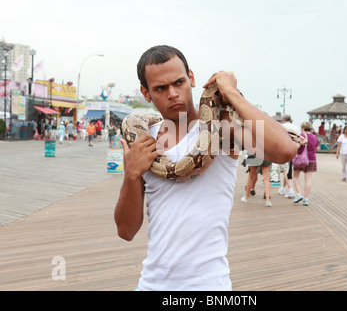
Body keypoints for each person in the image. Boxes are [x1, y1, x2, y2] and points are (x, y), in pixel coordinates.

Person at [114, 45, 297, 291]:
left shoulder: (223, 131)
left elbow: (285, 149)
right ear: (146, 93)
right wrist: (131, 174)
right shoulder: (144, 143)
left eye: (179, 82)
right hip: (150, 285)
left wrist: (231, 92)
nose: (173, 93)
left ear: (191, 78)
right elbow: (126, 231)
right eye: (160, 88)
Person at [292, 122, 319, 206]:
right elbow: (317, 148)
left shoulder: (301, 135)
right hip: (311, 159)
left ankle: (299, 194)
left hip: (301, 159)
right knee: (308, 179)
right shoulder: (314, 137)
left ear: (303, 128)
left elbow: (297, 146)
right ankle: (306, 198)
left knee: (296, 177)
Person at [280, 114, 299, 199]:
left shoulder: (281, 126)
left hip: (283, 149)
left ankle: (291, 189)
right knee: (288, 169)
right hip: (293, 149)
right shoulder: (296, 127)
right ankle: (283, 188)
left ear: (283, 120)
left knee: (285, 170)